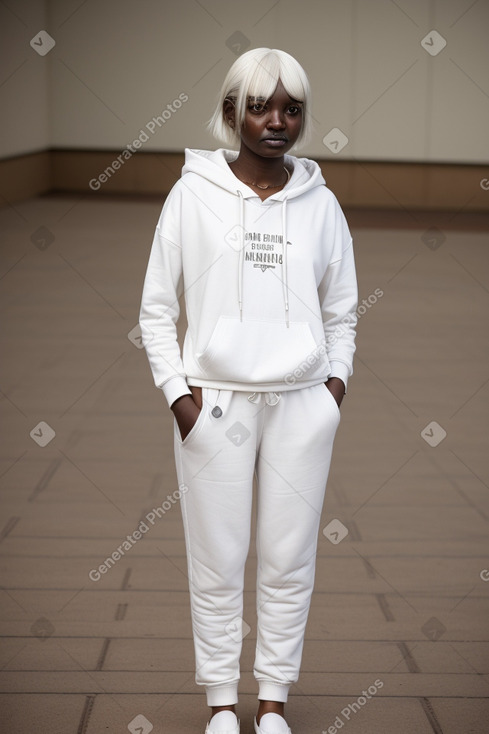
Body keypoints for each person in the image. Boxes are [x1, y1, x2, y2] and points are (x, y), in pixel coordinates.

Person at [139, 47, 358, 734]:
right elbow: (153, 309)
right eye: (259, 106)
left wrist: (331, 390)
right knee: (217, 558)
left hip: (301, 406)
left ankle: (271, 703)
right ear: (231, 112)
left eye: (290, 109)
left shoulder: (320, 205)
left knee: (289, 556)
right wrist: (180, 396)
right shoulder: (191, 194)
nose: (275, 121)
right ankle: (221, 706)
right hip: (214, 406)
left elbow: (342, 310)